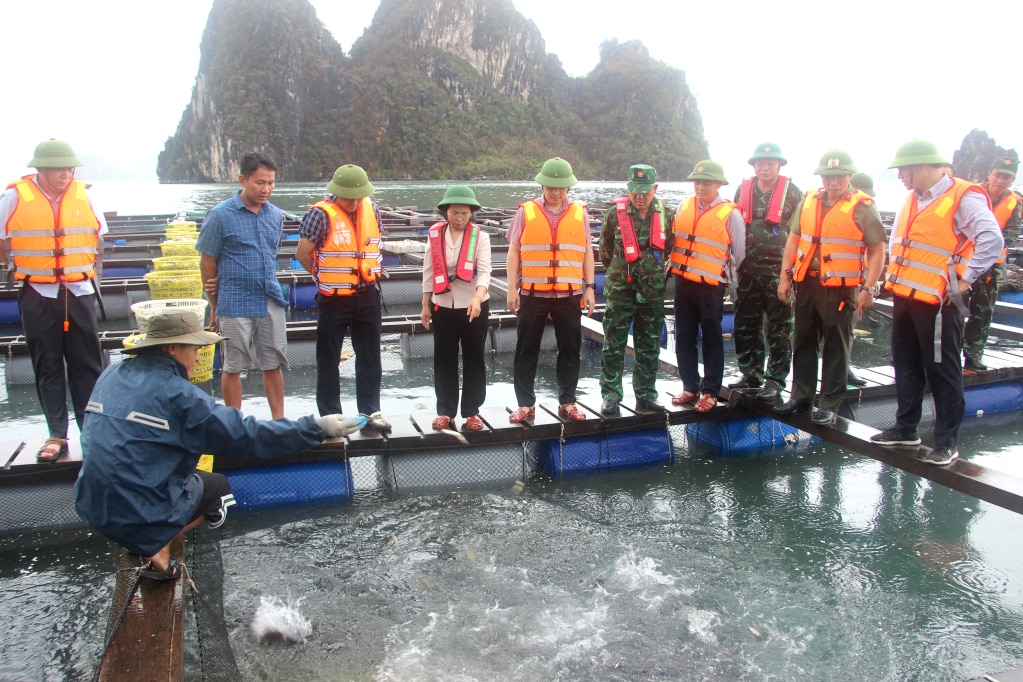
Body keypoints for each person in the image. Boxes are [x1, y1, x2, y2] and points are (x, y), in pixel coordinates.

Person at [74, 309, 365, 580]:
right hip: (140, 508)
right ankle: (156, 543)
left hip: (90, 501)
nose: (201, 355)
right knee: (218, 490)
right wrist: (314, 427)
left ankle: (146, 534)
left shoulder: (111, 374)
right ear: (171, 348)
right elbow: (244, 435)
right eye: (194, 347)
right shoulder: (179, 394)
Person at [871, 140, 1003, 465]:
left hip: (938, 302)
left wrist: (966, 279)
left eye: (904, 170)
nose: (900, 176)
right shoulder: (912, 200)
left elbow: (992, 238)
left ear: (924, 166)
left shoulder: (962, 196)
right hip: (906, 296)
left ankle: (947, 442)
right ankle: (906, 428)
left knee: (942, 369)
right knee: (906, 363)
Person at [0, 140, 106, 462]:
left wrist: (93, 278)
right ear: (40, 169)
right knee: (46, 365)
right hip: (38, 293)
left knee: (87, 365)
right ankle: (57, 435)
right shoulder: (15, 196)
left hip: (79, 293)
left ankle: (93, 431)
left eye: (70, 167)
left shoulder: (84, 193)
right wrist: (12, 265)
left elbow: (99, 238)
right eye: (60, 167)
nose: (67, 173)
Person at [774, 151, 885, 425]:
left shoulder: (863, 206)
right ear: (821, 177)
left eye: (839, 177)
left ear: (849, 177)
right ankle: (801, 396)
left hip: (840, 287)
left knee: (836, 343)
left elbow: (877, 249)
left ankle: (829, 404)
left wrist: (868, 288)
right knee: (803, 339)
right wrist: (784, 277)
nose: (833, 182)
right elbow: (793, 239)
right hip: (806, 281)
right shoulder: (809, 200)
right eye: (828, 176)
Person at [295, 164, 391, 431]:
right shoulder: (319, 215)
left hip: (368, 295)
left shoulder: (372, 210)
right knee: (329, 358)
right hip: (333, 299)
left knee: (370, 356)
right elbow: (303, 253)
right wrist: (321, 277)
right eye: (348, 197)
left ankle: (371, 412)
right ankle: (330, 417)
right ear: (336, 193)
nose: (354, 202)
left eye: (358, 197)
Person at [197, 152, 289, 419]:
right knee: (233, 365)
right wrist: (214, 305)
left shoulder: (275, 215)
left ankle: (279, 422)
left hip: (269, 298)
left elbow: (270, 254)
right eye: (260, 183)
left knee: (273, 363)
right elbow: (207, 264)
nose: (266, 189)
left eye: (271, 183)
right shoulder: (219, 216)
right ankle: (234, 424)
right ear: (243, 180)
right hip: (234, 300)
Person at [506, 157, 596, 422]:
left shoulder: (580, 212)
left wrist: (589, 287)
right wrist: (512, 288)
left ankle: (567, 401)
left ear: (569, 187)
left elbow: (587, 251)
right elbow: (514, 250)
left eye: (561, 187)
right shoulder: (526, 211)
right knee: (526, 349)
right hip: (533, 293)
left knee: (570, 348)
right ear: (542, 185)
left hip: (569, 294)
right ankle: (525, 404)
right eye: (551, 186)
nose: (556, 192)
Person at [668, 160, 745, 413]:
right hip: (683, 281)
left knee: (712, 338)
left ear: (718, 185)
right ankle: (690, 385)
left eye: (707, 183)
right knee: (683, 335)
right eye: (698, 182)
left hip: (711, 285)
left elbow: (739, 253)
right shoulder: (684, 205)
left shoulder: (730, 213)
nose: (701, 187)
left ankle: (711, 391)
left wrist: (730, 283)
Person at [599, 164, 675, 414]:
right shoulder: (613, 214)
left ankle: (646, 394)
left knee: (650, 344)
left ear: (655, 188)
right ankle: (611, 395)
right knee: (614, 343)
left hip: (652, 292)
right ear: (628, 188)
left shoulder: (667, 215)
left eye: (644, 191)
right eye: (634, 191)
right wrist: (620, 273)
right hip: (621, 290)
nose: (639, 196)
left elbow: (670, 247)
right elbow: (606, 251)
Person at [731, 143, 804, 401]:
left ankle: (775, 381)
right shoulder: (743, 190)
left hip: (778, 272)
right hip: (748, 270)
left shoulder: (793, 193)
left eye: (770, 163)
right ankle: (750, 372)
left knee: (780, 327)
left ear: (779, 165)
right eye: (760, 163)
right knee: (746, 323)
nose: (764, 167)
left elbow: (801, 234)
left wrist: (792, 275)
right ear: (753, 166)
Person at [420, 186, 492, 431]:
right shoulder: (434, 236)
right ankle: (445, 411)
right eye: (454, 213)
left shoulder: (480, 237)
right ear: (445, 212)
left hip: (474, 307)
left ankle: (472, 412)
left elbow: (484, 273)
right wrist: (425, 305)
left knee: (474, 358)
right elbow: (428, 272)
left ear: (471, 213)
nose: (459, 218)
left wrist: (478, 298)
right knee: (444, 359)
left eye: (464, 213)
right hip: (442, 305)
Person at [963, 156, 1021, 371]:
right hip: (963, 260)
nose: (1000, 180)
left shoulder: (1016, 202)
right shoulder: (970, 192)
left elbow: (1012, 233)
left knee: (983, 310)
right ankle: (944, 354)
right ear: (989, 174)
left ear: (1012, 179)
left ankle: (973, 354)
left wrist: (989, 244)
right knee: (953, 307)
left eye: (1006, 177)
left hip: (991, 264)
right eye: (997, 175)